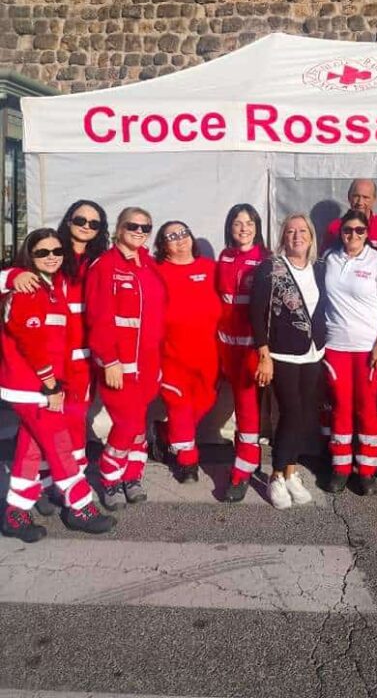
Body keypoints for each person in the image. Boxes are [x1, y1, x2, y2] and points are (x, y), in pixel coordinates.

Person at [0, 228, 115, 541]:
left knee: (30, 450)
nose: (51, 257)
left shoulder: (49, 287)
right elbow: (32, 343)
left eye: (56, 251)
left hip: (39, 384)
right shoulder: (28, 288)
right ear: (29, 255)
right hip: (33, 386)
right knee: (59, 446)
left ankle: (15, 513)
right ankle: (81, 508)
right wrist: (50, 385)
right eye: (42, 252)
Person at [86, 207, 166, 511]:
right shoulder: (105, 265)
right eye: (133, 226)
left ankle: (132, 476)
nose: (139, 231)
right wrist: (109, 360)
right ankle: (109, 477)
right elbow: (99, 318)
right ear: (119, 228)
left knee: (138, 423)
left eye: (146, 227)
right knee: (127, 423)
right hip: (119, 365)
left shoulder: (148, 264)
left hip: (148, 364)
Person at [250, 213, 327, 510]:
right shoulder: (270, 268)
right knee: (291, 413)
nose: (297, 236)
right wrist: (263, 354)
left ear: (311, 236)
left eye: (303, 230)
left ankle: (291, 472)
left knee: (303, 414)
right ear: (283, 236)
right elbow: (256, 313)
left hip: (313, 351)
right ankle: (276, 476)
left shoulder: (319, 268)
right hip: (281, 354)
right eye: (291, 231)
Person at [323, 210, 377, 495]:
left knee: (367, 408)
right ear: (340, 232)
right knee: (340, 406)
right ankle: (340, 467)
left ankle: (367, 470)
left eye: (359, 230)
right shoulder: (329, 258)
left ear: (367, 233)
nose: (353, 235)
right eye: (348, 230)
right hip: (335, 347)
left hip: (368, 348)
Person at [153, 221, 221, 483]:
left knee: (204, 403)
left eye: (183, 233)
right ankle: (188, 461)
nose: (179, 239)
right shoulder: (156, 270)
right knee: (179, 406)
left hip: (208, 355)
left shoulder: (211, 269)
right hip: (170, 355)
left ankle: (164, 432)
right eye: (171, 236)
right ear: (162, 245)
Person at [216, 203, 270, 502]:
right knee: (234, 402)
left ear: (257, 226)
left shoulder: (265, 259)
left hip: (252, 345)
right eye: (238, 223)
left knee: (247, 406)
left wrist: (264, 351)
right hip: (225, 344)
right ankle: (247, 454)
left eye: (249, 223)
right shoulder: (225, 256)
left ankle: (242, 471)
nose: (244, 228)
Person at [321, 179, 377, 259]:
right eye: (356, 196)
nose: (360, 202)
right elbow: (325, 258)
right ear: (349, 197)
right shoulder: (334, 227)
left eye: (365, 197)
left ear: (374, 199)